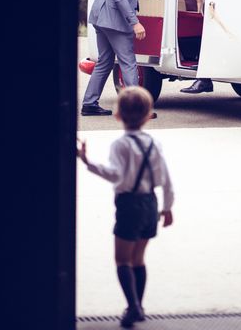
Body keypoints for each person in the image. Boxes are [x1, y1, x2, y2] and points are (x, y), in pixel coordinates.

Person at [77, 86, 174, 328]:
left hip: (129, 205)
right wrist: (168, 207)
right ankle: (139, 305)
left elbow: (114, 175)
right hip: (151, 203)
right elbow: (166, 178)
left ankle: (133, 307)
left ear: (117, 114)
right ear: (148, 114)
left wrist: (87, 161)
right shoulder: (154, 144)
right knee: (138, 259)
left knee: (122, 260)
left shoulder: (120, 145)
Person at [81, 0, 147, 116]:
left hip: (101, 18)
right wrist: (134, 22)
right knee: (128, 63)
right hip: (115, 21)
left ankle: (89, 103)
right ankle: (137, 109)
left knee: (104, 62)